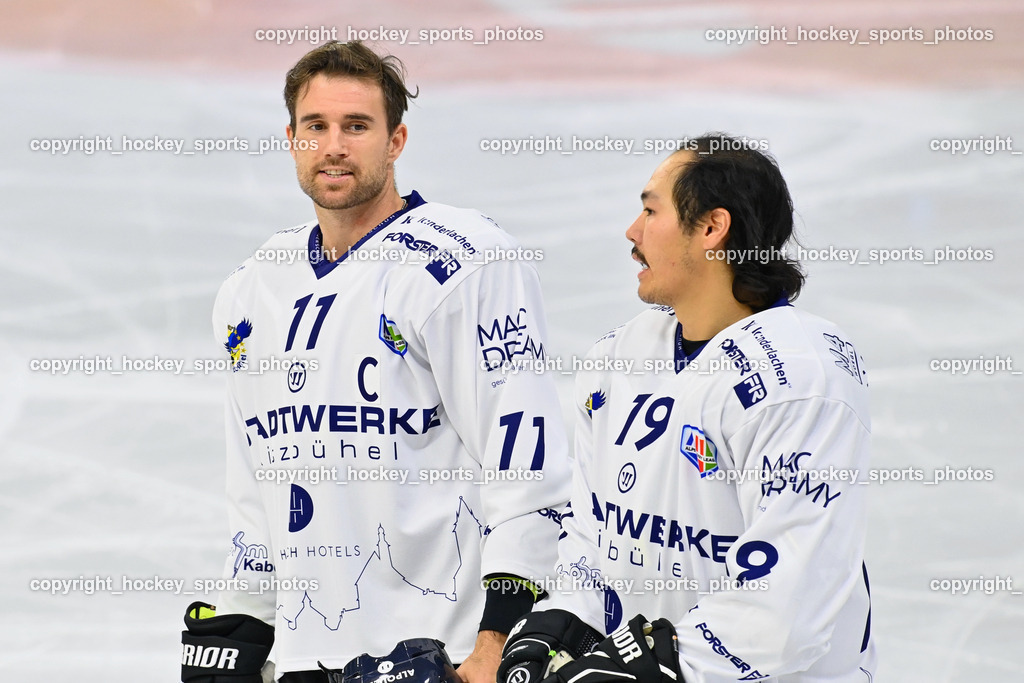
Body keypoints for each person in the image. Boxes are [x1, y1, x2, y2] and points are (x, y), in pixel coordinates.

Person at [181, 41, 570, 683]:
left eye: (357, 127)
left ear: (396, 141)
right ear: (292, 139)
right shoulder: (251, 290)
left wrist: (497, 640)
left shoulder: (462, 262)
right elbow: (256, 487)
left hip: (438, 656)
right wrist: (242, 627)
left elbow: (525, 463)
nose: (334, 145)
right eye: (316, 127)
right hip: (308, 660)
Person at [497, 134, 876, 683]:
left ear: (711, 228)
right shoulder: (619, 355)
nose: (632, 232)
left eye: (651, 210)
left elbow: (788, 600)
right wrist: (563, 618)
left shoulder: (799, 377)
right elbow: (593, 526)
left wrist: (667, 670)